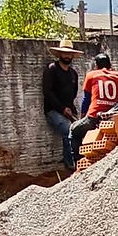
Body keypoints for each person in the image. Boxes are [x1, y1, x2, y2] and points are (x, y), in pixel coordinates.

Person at [69, 53, 118, 163]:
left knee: (74, 130)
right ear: (110, 65)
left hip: (95, 116)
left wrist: (83, 116)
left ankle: (78, 163)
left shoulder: (91, 75)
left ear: (96, 66)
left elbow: (86, 99)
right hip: (113, 116)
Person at [42, 39, 83, 171]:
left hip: (68, 110)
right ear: (59, 55)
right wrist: (61, 108)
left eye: (69, 54)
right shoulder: (51, 69)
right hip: (53, 111)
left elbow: (72, 94)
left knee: (80, 130)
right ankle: (70, 164)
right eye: (65, 53)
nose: (67, 56)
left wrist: (72, 111)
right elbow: (47, 92)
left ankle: (81, 162)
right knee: (68, 131)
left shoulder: (73, 74)